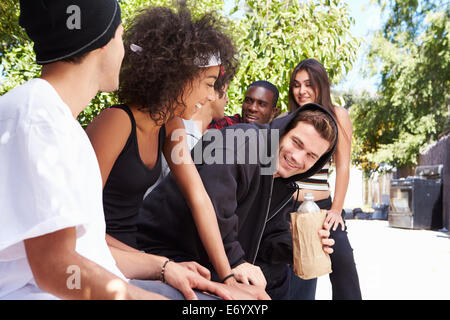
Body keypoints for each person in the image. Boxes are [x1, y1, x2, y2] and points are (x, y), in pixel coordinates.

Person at [0, 0, 208, 300]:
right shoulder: (39, 117)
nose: (125, 53)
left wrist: (163, 266)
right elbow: (56, 268)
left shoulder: (56, 121)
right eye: (121, 37)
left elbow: (85, 251)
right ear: (101, 42)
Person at [85, 6, 265, 300]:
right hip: (103, 261)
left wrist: (229, 275)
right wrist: (160, 266)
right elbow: (78, 226)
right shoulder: (116, 122)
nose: (210, 95)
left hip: (139, 260)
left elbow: (199, 199)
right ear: (176, 76)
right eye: (208, 84)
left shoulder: (170, 126)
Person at [136, 103, 339, 299]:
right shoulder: (241, 142)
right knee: (251, 292)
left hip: (206, 257)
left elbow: (269, 236)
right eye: (297, 142)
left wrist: (301, 245)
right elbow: (213, 206)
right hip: (164, 247)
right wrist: (236, 263)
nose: (297, 157)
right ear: (283, 131)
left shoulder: (281, 179)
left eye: (311, 155)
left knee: (278, 276)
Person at [288, 58, 362, 300]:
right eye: (297, 85)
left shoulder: (337, 115)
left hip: (323, 207)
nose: (302, 91)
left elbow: (343, 165)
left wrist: (337, 209)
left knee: (343, 264)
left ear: (321, 85)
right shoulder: (290, 118)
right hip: (288, 206)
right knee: (292, 269)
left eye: (308, 84)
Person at [207, 80, 279, 129]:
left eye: (261, 104)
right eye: (248, 101)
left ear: (273, 112)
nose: (252, 108)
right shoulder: (224, 125)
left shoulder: (275, 139)